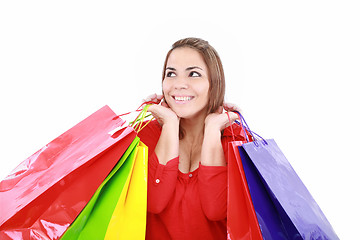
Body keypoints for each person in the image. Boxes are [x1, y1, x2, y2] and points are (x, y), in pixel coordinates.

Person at [137, 37, 248, 240]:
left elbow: (216, 209)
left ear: (214, 83)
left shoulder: (237, 140)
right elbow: (154, 202)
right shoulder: (143, 135)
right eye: (171, 74)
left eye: (194, 74)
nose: (179, 84)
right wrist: (169, 124)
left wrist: (213, 129)